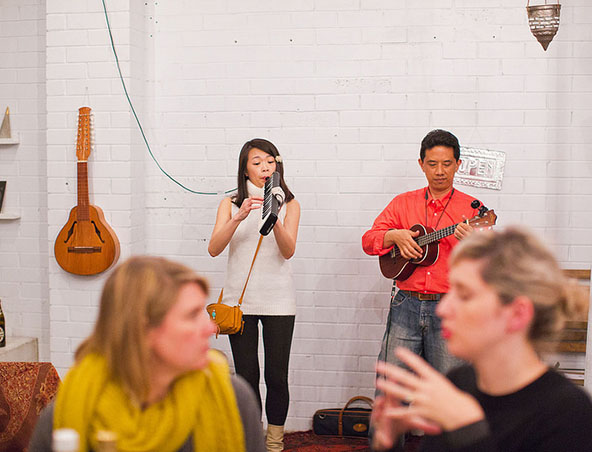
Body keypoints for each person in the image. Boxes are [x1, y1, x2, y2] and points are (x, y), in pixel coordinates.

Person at [371, 227, 592, 452]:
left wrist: (468, 429)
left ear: (517, 314)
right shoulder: (459, 383)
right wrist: (386, 445)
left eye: (464, 295)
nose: (443, 309)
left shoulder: (568, 411)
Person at [29, 256, 265, 452]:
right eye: (192, 315)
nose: (211, 328)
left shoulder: (232, 398)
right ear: (142, 329)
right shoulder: (70, 411)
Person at [362, 129, 480, 375]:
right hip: (406, 304)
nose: (440, 171)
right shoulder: (403, 203)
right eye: (432, 164)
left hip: (451, 306)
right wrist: (393, 235)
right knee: (392, 387)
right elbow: (368, 241)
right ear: (421, 165)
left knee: (451, 388)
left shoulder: (472, 209)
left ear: (458, 164)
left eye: (447, 164)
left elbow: (493, 264)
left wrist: (475, 244)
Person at [208, 138, 300, 452]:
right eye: (256, 162)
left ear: (278, 166)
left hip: (279, 300)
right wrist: (239, 216)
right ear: (245, 168)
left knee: (277, 375)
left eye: (269, 162)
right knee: (247, 376)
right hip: (239, 303)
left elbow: (288, 251)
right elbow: (214, 248)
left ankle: (274, 442)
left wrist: (273, 215)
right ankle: (250, 440)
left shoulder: (290, 203)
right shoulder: (230, 203)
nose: (264, 167)